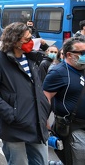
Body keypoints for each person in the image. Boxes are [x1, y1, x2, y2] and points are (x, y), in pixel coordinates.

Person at [0, 22, 51, 165]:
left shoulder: (31, 58)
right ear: (15, 41)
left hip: (36, 124)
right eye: (27, 39)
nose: (31, 42)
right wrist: (12, 114)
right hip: (15, 128)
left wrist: (44, 111)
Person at [43, 36, 85, 165]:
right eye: (82, 53)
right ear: (69, 54)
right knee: (78, 159)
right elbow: (45, 98)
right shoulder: (58, 72)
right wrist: (45, 125)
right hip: (72, 127)